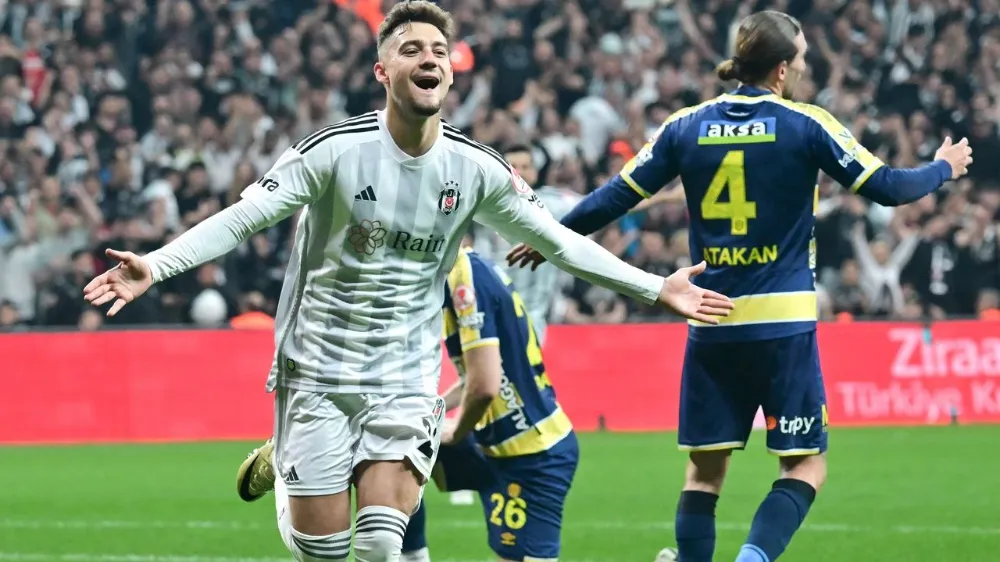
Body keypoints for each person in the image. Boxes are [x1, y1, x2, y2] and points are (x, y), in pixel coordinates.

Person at [82, 3, 734, 562]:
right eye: (412, 49)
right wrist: (156, 265)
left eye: (439, 51)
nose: (430, 58)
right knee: (323, 551)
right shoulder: (334, 151)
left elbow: (558, 242)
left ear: (450, 73)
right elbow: (243, 218)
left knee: (379, 547)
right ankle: (285, 459)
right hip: (317, 370)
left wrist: (655, 287)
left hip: (403, 376)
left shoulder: (475, 169)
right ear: (383, 71)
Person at [507, 10, 972, 562]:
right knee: (805, 466)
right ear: (781, 69)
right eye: (801, 59)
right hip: (783, 324)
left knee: (704, 472)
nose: (804, 68)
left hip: (711, 319)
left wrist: (551, 235)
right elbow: (889, 187)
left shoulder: (685, 125)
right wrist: (943, 167)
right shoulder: (806, 123)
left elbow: (617, 195)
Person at [238, 246, 580, 562]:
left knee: (400, 451)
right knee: (395, 452)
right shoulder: (456, 275)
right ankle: (298, 454)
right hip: (495, 441)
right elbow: (479, 379)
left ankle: (299, 450)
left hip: (532, 453)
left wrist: (454, 431)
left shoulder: (464, 278)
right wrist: (438, 417)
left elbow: (484, 387)